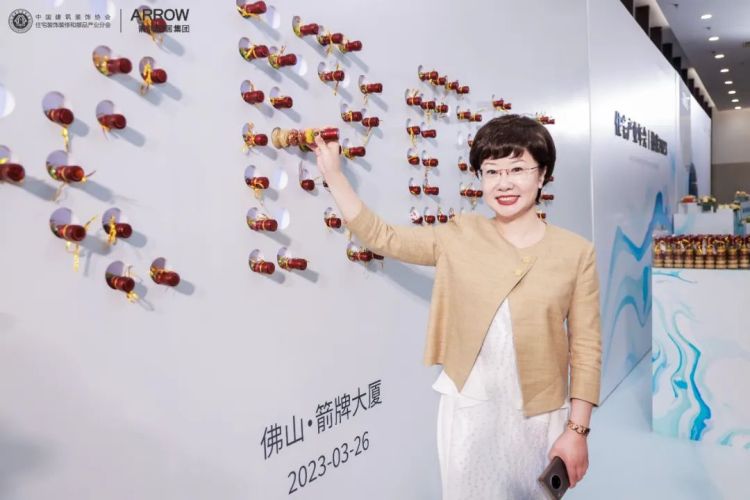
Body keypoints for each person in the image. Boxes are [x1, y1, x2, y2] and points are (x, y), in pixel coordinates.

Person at [310, 114, 602, 499]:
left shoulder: (576, 252)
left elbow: (586, 349)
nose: (504, 183)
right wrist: (334, 176)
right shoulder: (460, 236)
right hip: (471, 411)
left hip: (540, 416)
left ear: (542, 173)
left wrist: (577, 431)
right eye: (491, 171)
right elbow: (383, 237)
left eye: (517, 169)